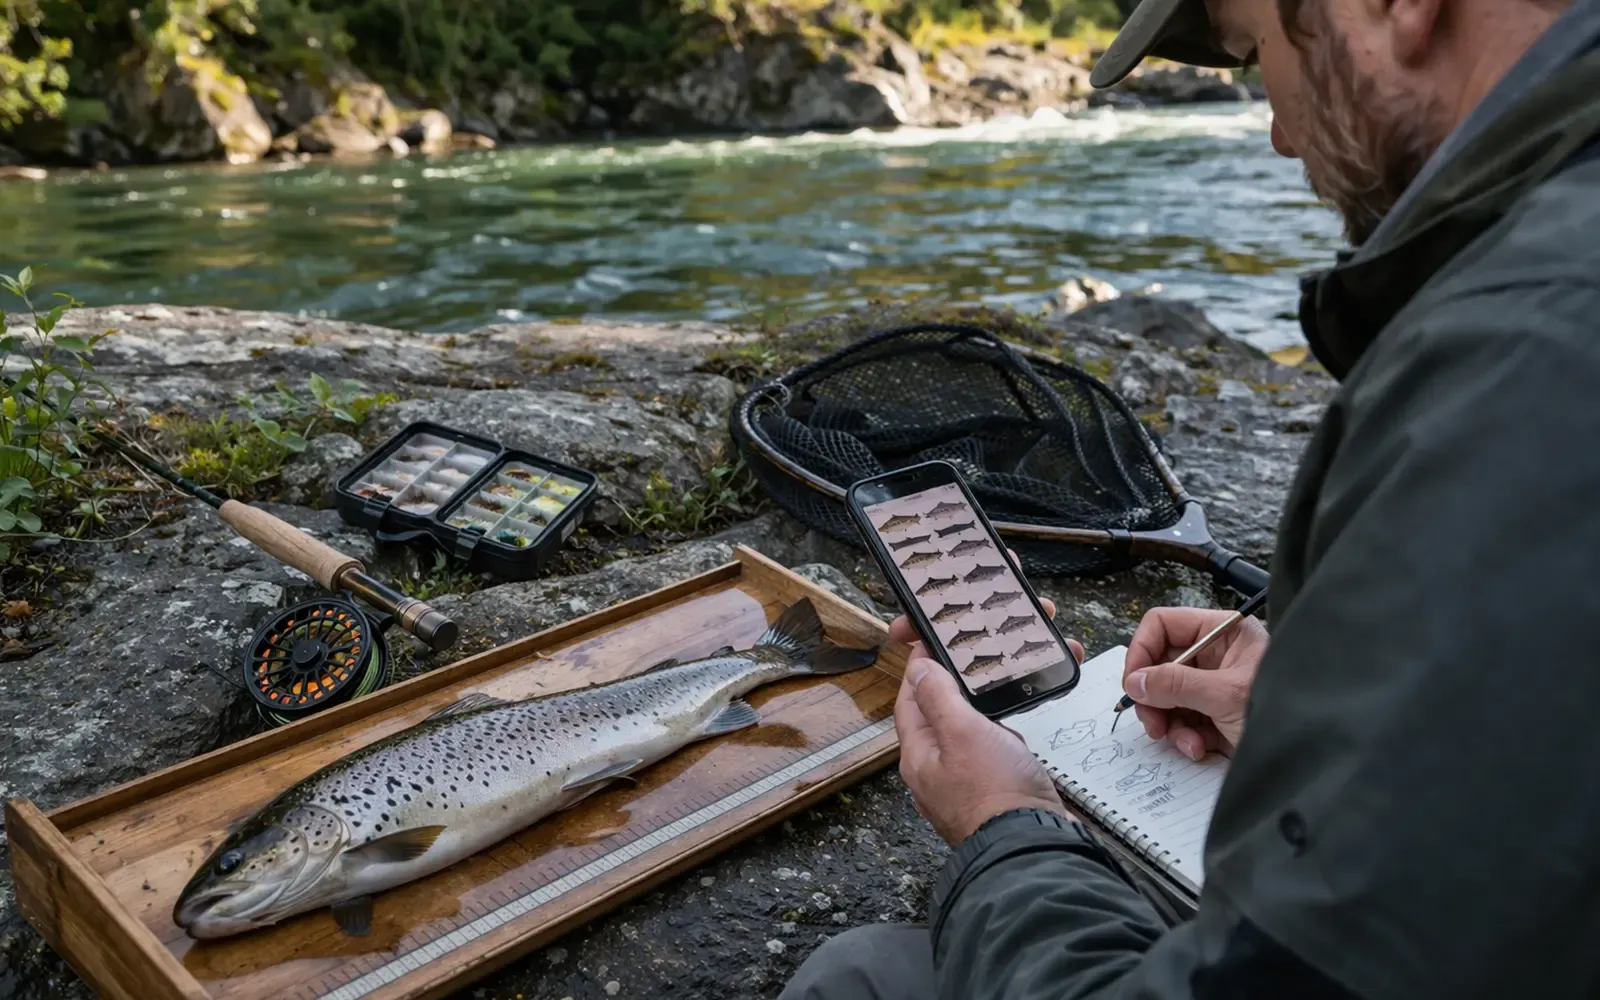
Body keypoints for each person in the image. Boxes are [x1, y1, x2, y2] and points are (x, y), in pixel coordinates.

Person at [778, 0, 1600, 989]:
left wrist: (1007, 832)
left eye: (1259, 58)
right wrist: (1329, 708)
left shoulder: (1518, 359)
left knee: (859, 975)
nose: (1279, 130)